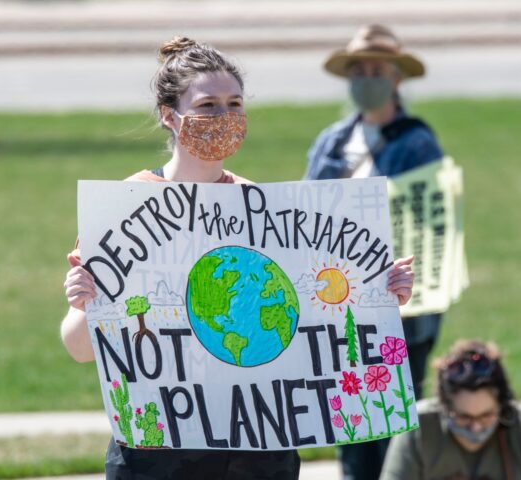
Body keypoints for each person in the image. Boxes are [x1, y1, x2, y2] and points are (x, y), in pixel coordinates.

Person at [62, 36, 415, 480]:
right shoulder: (124, 208)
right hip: (159, 451)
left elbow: (313, 314)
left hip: (259, 448)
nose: (224, 117)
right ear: (169, 116)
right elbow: (78, 349)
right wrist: (83, 304)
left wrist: (379, 295)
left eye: (234, 104)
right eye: (208, 105)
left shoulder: (262, 208)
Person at [304, 24, 444, 480]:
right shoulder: (332, 141)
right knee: (350, 419)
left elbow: (430, 231)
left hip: (399, 310)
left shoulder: (417, 143)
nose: (367, 78)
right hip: (338, 306)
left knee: (394, 425)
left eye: (377, 70)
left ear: (397, 78)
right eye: (358, 70)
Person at [380, 339, 521, 480]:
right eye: (464, 417)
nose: (475, 427)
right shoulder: (417, 427)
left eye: (486, 416)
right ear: (444, 407)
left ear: (502, 406)